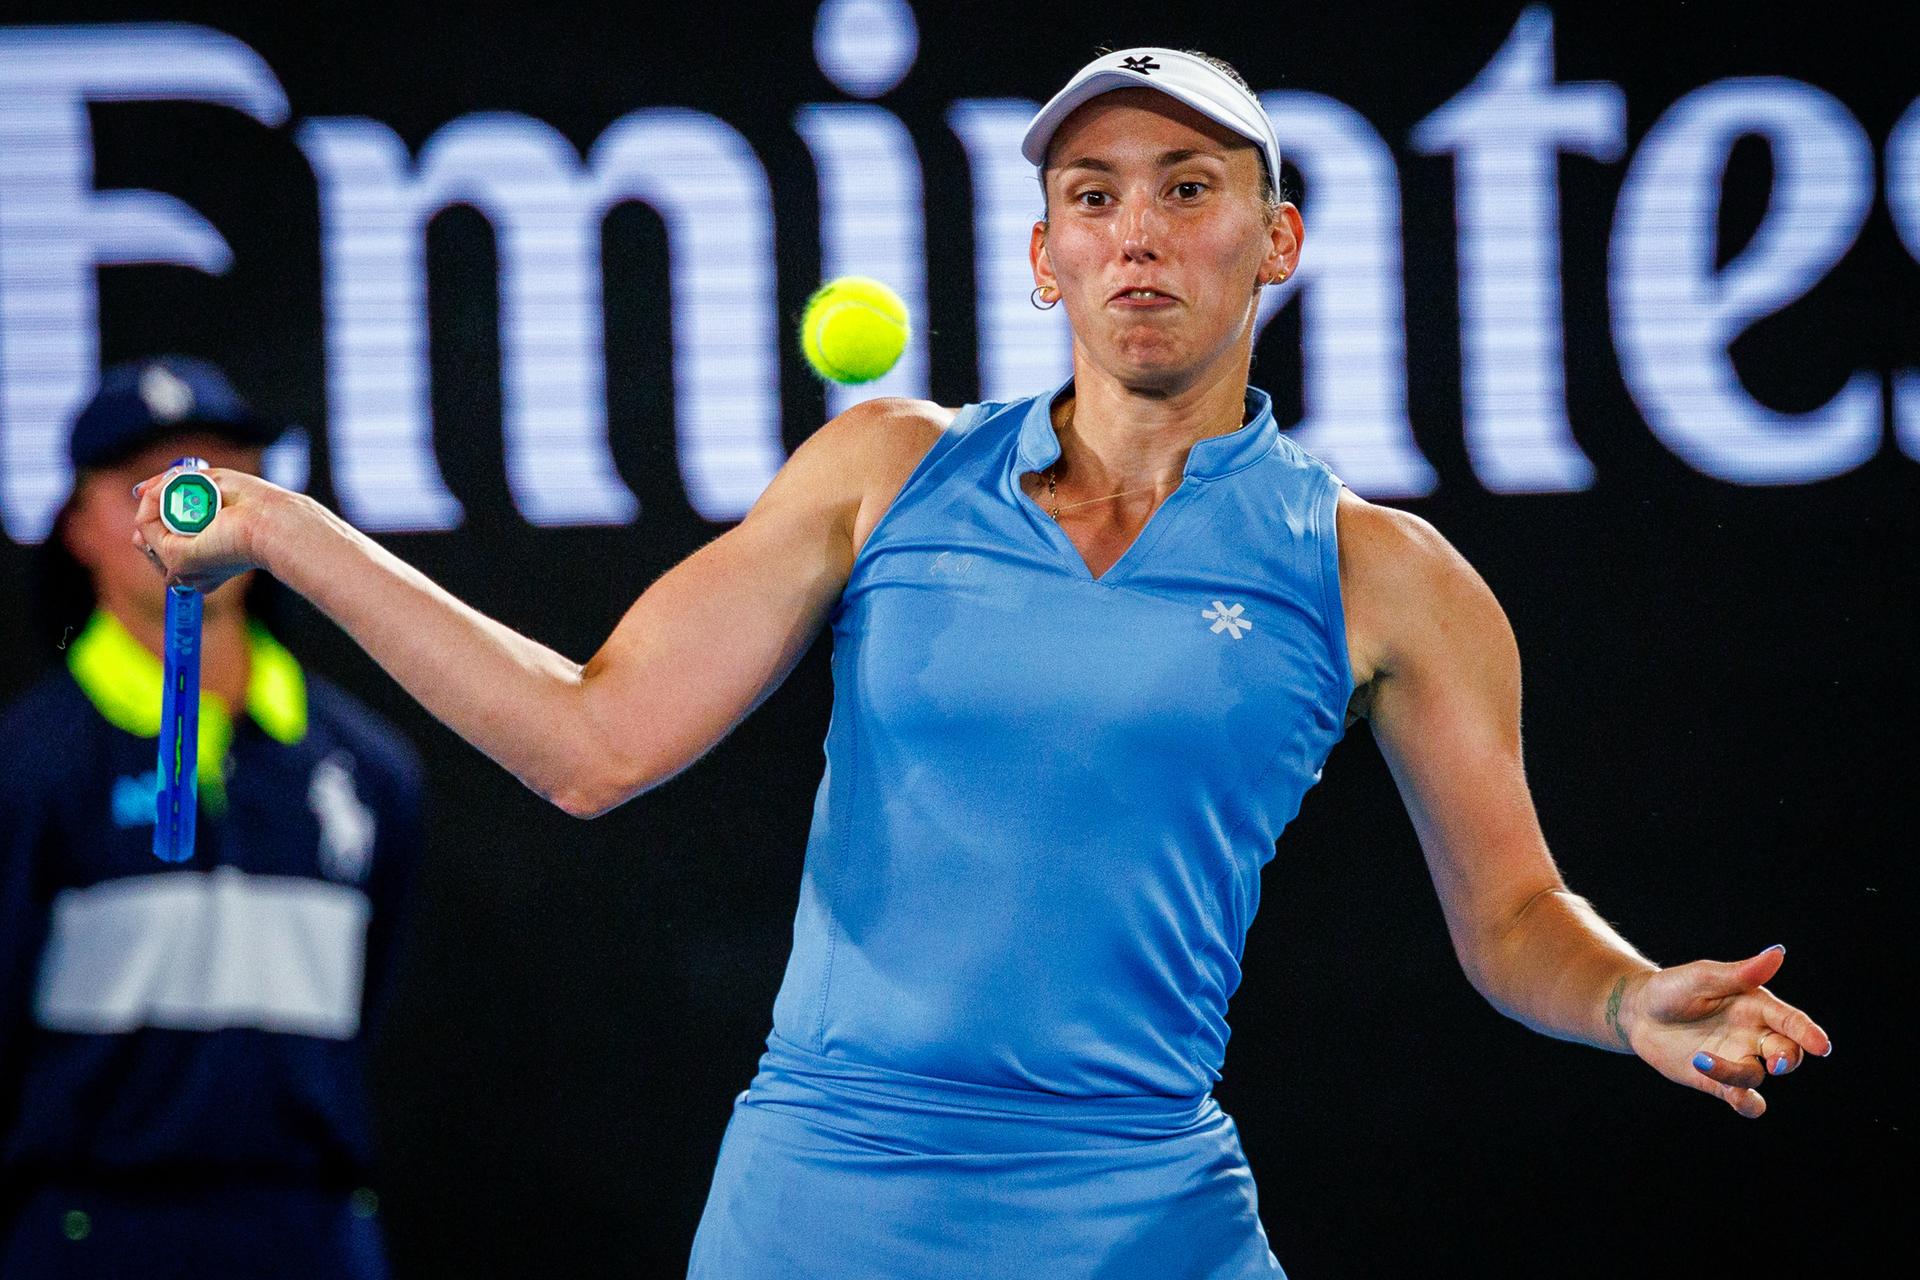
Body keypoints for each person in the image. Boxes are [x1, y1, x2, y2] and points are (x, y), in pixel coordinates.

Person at [124, 47, 1831, 1279]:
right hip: (821, 1204)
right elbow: (589, 742)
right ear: (1045, 257)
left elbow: (1513, 914)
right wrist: (280, 527)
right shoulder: (884, 472)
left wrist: (1621, 1000)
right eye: (1093, 197)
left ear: (1278, 242)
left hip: (1138, 1211)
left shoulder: (1385, 574)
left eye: (1188, 187)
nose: (1136, 232)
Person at [0, 357, 425, 1279]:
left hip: (313, 1233)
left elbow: (366, 998)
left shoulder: (372, 769)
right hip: (89, 1232)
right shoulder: (26, 769)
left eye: (216, 478)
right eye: (144, 486)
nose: (183, 510)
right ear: (77, 525)